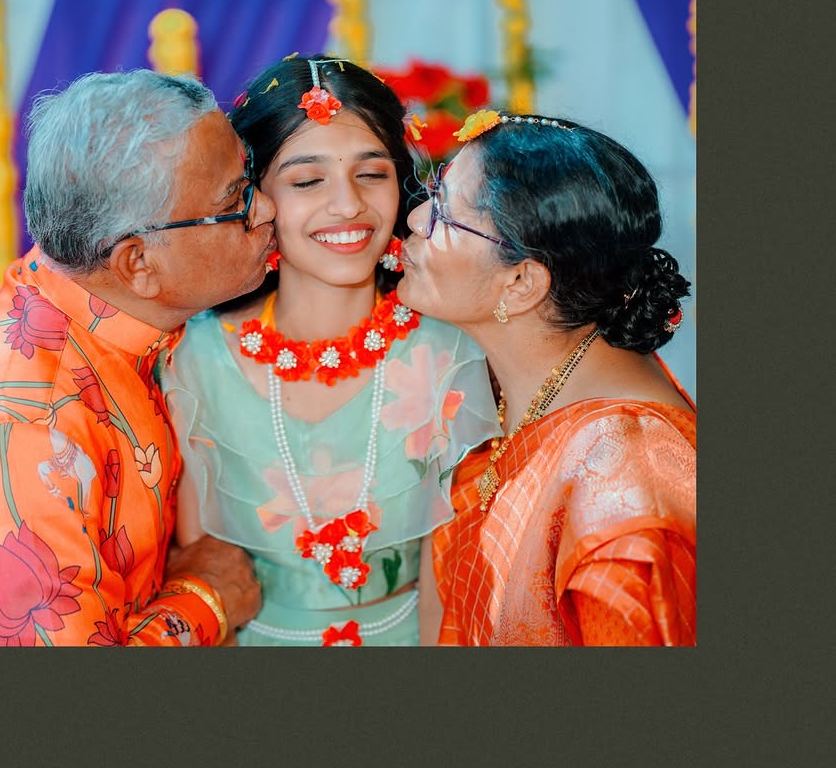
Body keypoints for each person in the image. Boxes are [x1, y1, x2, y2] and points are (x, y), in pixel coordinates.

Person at [0, 69, 275, 646]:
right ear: (137, 264)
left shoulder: (97, 312)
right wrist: (206, 598)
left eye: (250, 177)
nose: (267, 210)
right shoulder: (19, 436)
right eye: (234, 201)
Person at [163, 55, 500, 646]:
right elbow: (201, 571)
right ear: (255, 198)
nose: (347, 205)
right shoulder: (194, 361)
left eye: (371, 174)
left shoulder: (453, 352)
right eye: (306, 180)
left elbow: (459, 582)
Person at [396, 108, 696, 646]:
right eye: (432, 193)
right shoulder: (525, 389)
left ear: (520, 282)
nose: (416, 220)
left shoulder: (623, 479)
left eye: (443, 211)